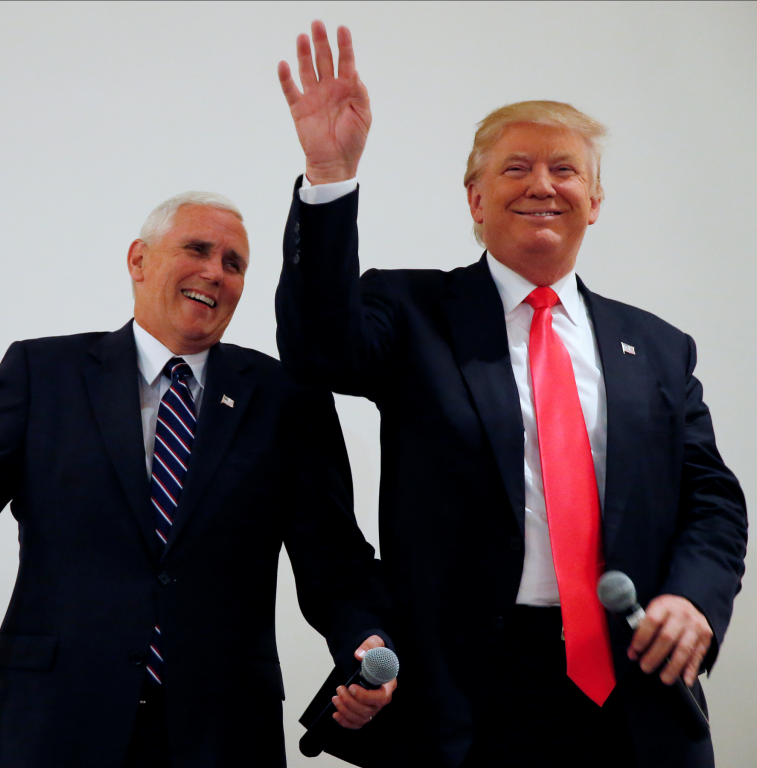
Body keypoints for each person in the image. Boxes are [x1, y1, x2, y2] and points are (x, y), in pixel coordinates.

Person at [0, 191, 397, 768]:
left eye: (234, 263)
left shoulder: (285, 398)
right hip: (52, 721)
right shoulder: (42, 375)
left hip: (221, 731)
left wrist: (367, 645)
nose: (214, 273)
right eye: (197, 249)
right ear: (139, 259)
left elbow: (334, 561)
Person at [274, 21, 746, 768]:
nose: (542, 184)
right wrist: (330, 176)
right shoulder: (412, 312)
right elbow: (318, 350)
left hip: (634, 692)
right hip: (468, 698)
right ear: (475, 198)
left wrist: (694, 601)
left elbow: (712, 499)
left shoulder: (657, 346)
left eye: (565, 170)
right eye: (516, 167)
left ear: (594, 201)